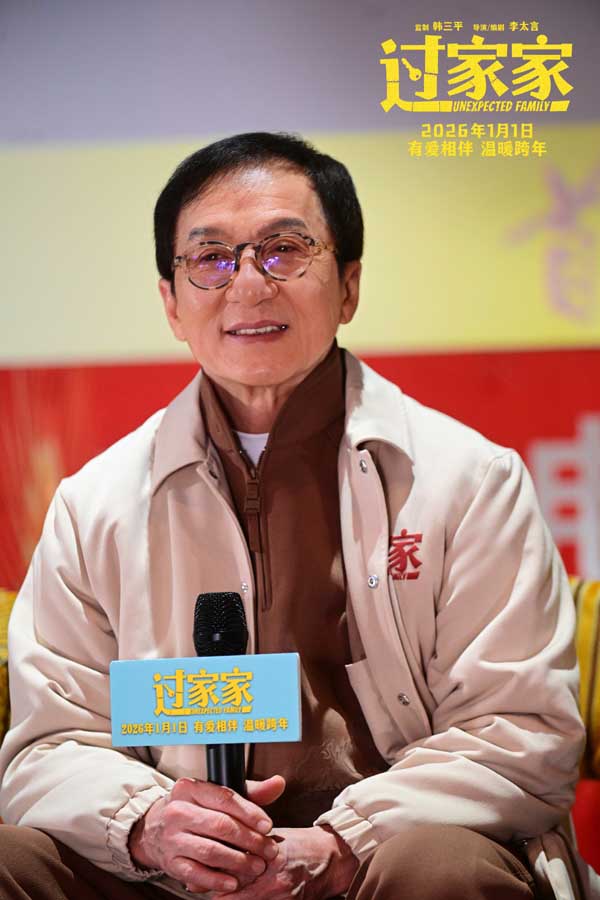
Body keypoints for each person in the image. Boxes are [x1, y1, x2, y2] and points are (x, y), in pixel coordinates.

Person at [0, 132, 595, 900]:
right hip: (168, 873)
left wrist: (345, 841)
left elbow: (522, 731)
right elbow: (46, 745)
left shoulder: (469, 481)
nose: (248, 284)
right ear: (171, 302)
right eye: (211, 258)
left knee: (441, 869)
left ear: (348, 286)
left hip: (381, 856)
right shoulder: (95, 505)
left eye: (284, 250)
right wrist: (149, 824)